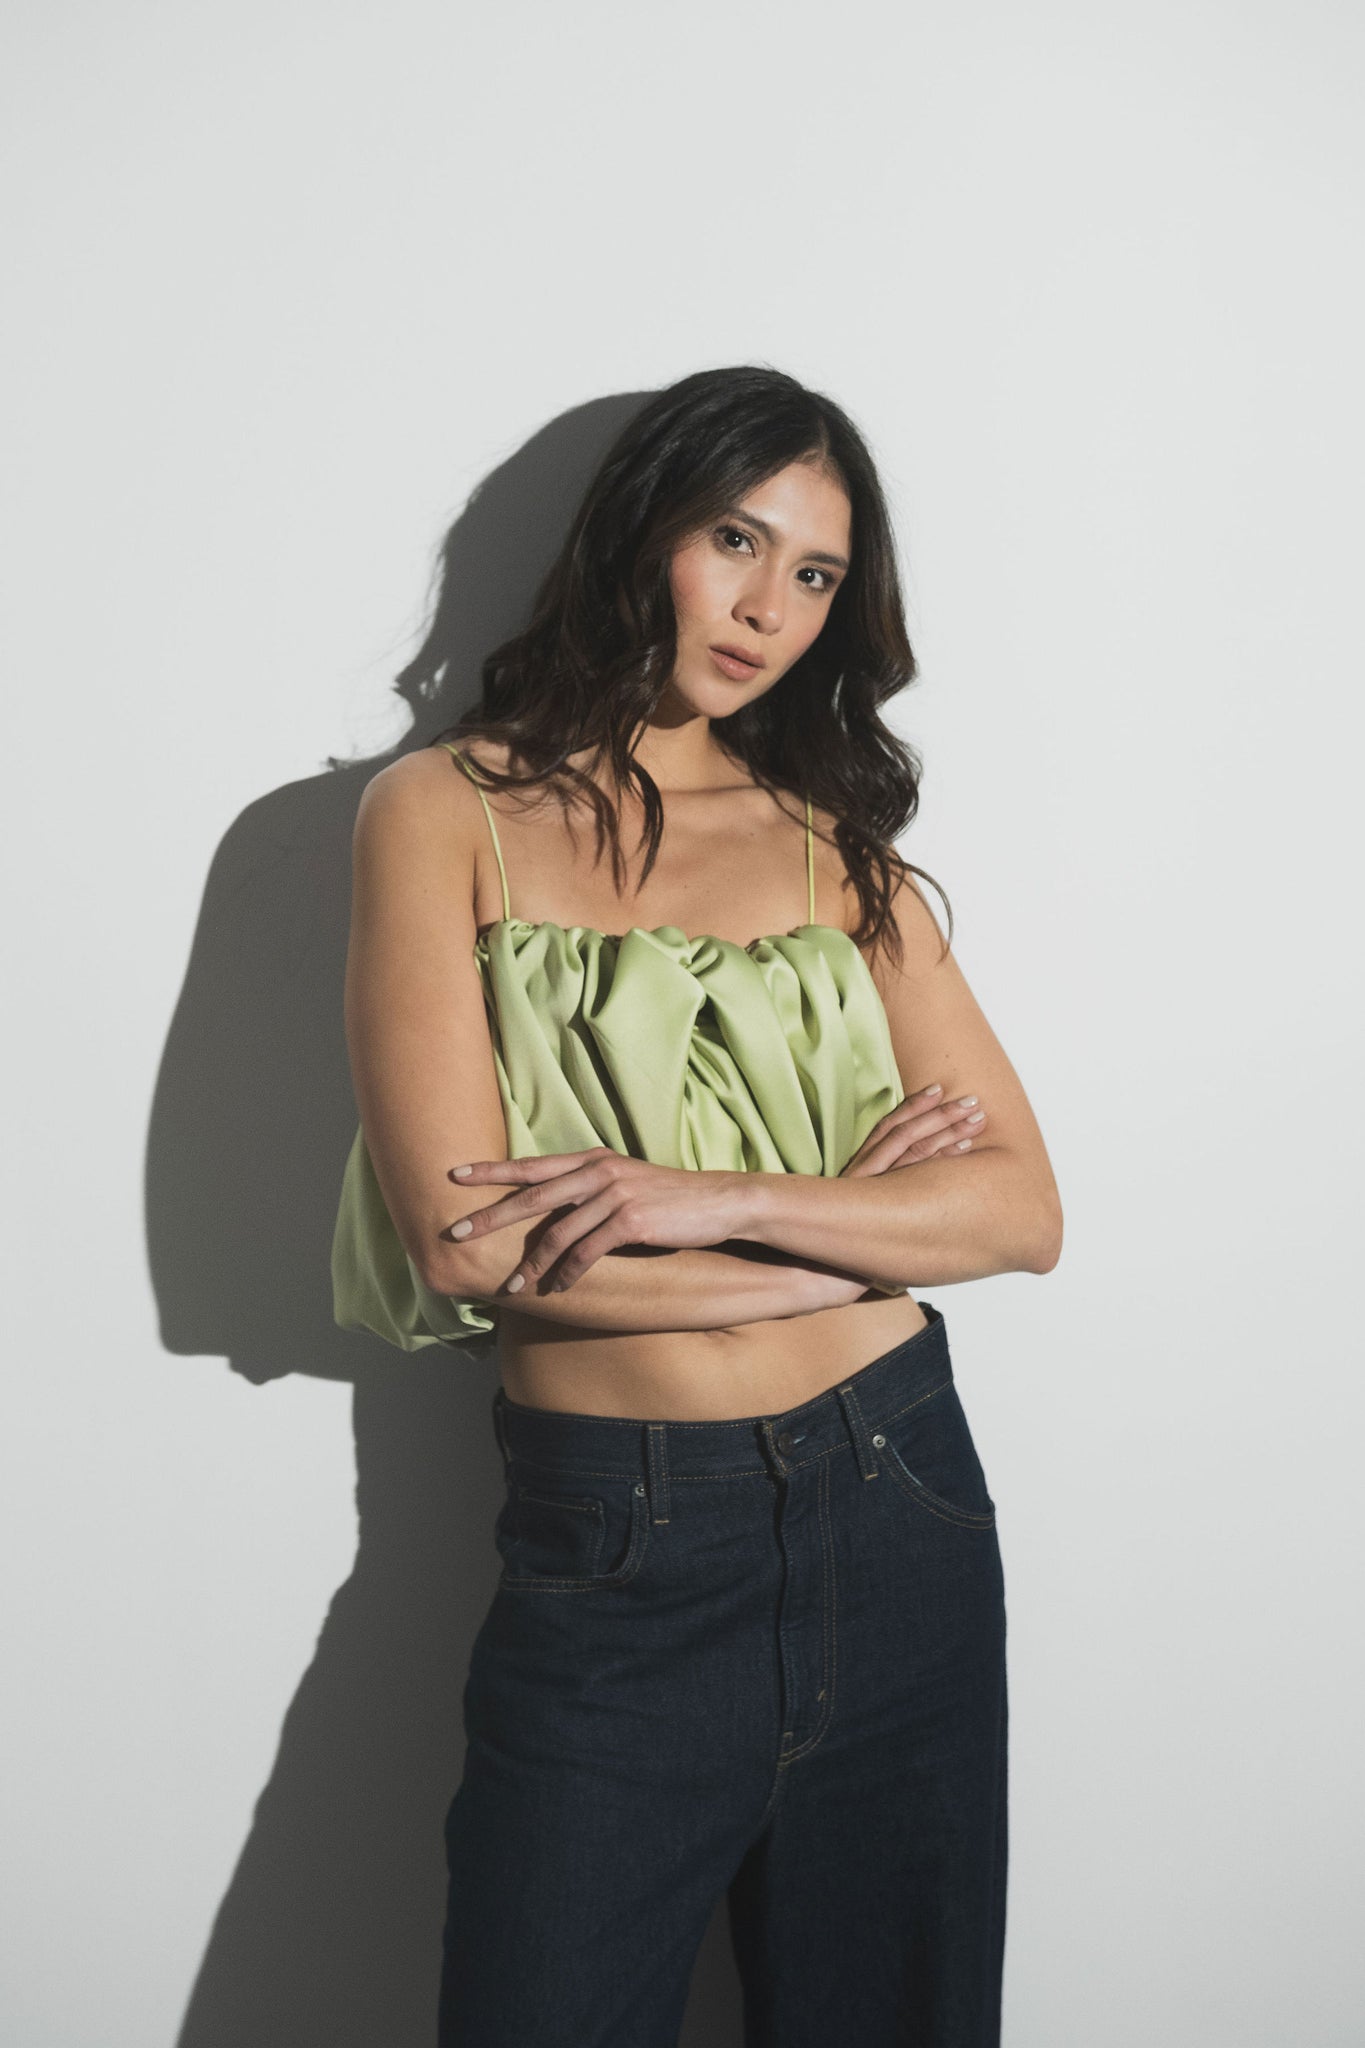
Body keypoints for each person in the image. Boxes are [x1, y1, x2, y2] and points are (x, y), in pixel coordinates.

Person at [330, 365, 1063, 2046]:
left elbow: (1019, 1214)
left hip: (900, 1509)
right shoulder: (439, 813)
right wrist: (840, 1242)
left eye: (813, 574)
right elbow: (470, 1248)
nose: (766, 608)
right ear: (641, 528)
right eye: (734, 541)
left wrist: (694, 1199)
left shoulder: (834, 850)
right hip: (619, 1546)